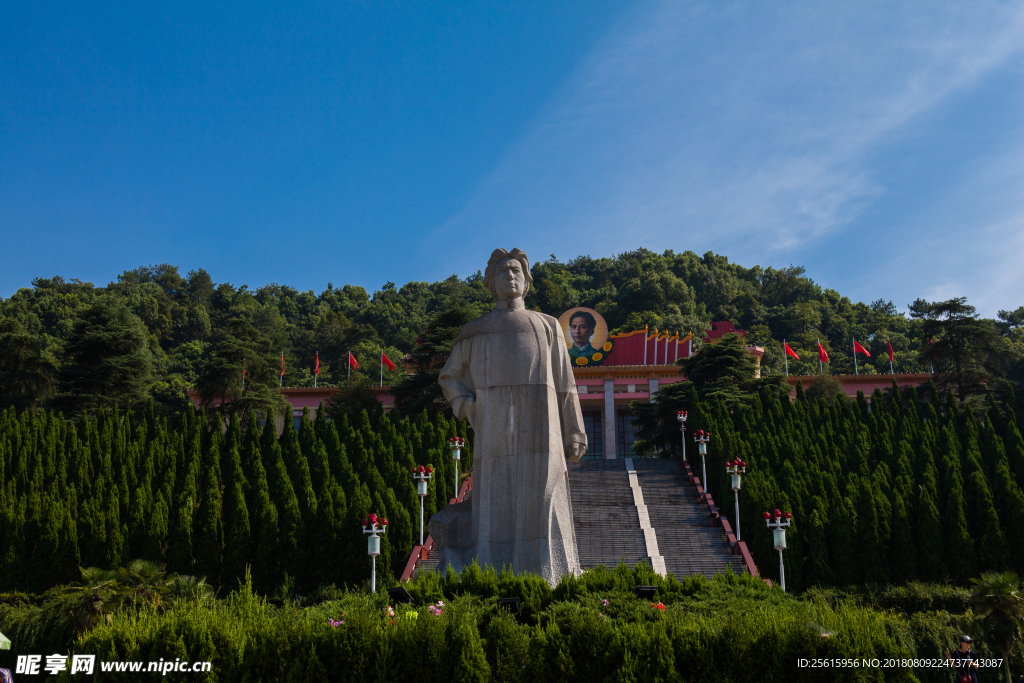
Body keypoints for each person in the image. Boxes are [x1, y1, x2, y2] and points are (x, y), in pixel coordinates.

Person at [435, 248, 586, 586]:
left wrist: (574, 431)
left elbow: (566, 384)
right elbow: (449, 377)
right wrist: (467, 406)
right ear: (491, 282)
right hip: (494, 431)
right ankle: (489, 580)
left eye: (517, 270)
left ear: (527, 281)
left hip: (543, 432)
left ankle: (552, 581)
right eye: (503, 271)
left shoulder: (547, 326)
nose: (511, 276)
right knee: (494, 508)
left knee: (546, 502)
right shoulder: (475, 331)